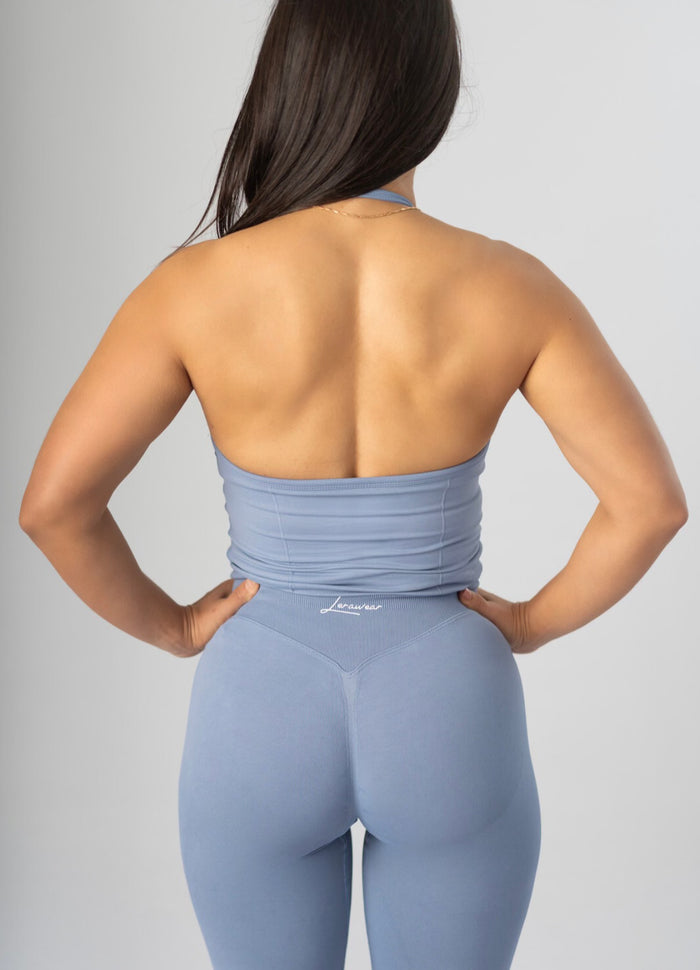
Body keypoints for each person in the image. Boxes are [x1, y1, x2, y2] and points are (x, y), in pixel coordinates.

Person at [18, 1, 688, 968]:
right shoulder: (511, 285)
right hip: (446, 697)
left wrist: (176, 628)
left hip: (260, 696)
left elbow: (54, 507)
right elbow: (649, 505)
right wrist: (529, 624)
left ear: (289, 84)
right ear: (435, 92)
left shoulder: (192, 289)